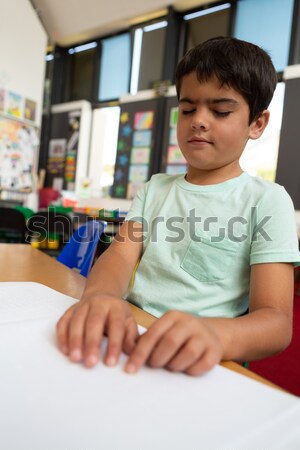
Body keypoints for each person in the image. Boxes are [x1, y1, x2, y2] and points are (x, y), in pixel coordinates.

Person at [57, 36, 300, 376]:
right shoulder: (156, 188)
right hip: (132, 338)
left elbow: (276, 322)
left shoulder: (267, 201)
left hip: (196, 359)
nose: (199, 120)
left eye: (220, 110)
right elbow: (118, 258)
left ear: (257, 124)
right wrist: (102, 296)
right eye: (187, 109)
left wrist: (217, 333)